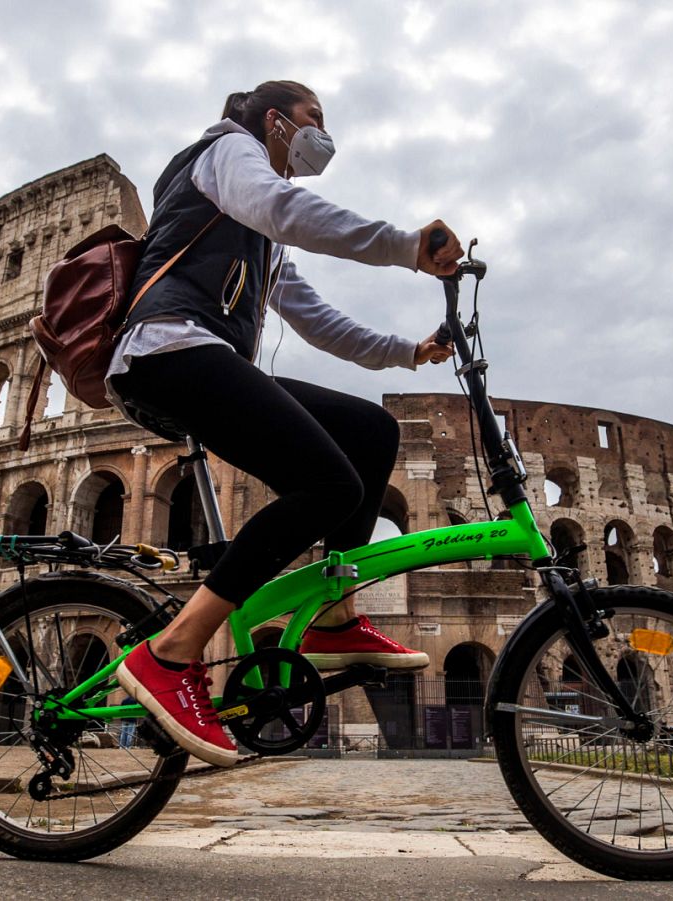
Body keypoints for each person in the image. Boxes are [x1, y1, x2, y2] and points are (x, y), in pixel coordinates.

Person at [108, 80, 463, 767]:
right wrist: (404, 245)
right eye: (313, 118)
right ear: (274, 121)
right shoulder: (226, 153)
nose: (322, 133)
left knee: (371, 433)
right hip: (166, 350)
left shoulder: (263, 241)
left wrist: (408, 351)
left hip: (202, 357)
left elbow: (319, 321)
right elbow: (283, 206)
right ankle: (171, 652)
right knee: (329, 485)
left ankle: (333, 615)